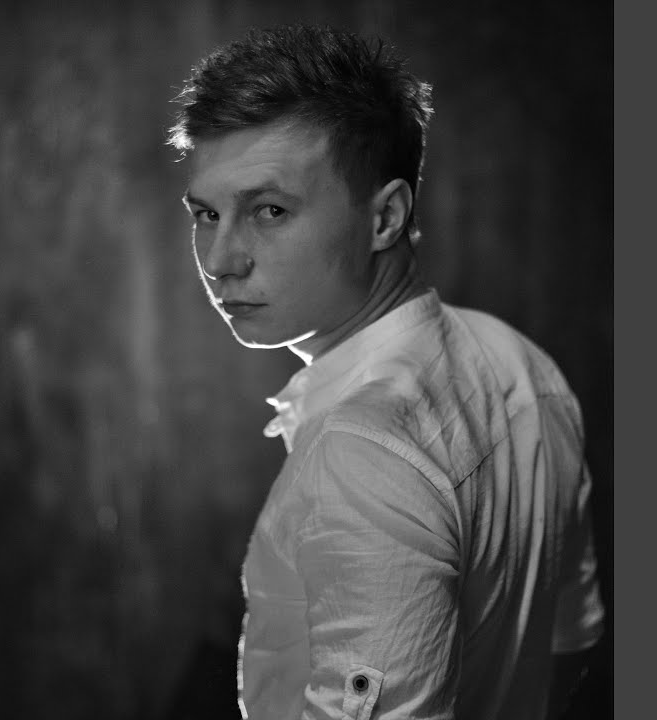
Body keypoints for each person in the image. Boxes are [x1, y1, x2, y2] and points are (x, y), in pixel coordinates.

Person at [168, 24, 605, 720]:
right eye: (207, 213)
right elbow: (570, 646)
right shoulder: (522, 362)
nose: (221, 260)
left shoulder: (362, 454)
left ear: (386, 218)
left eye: (269, 211)